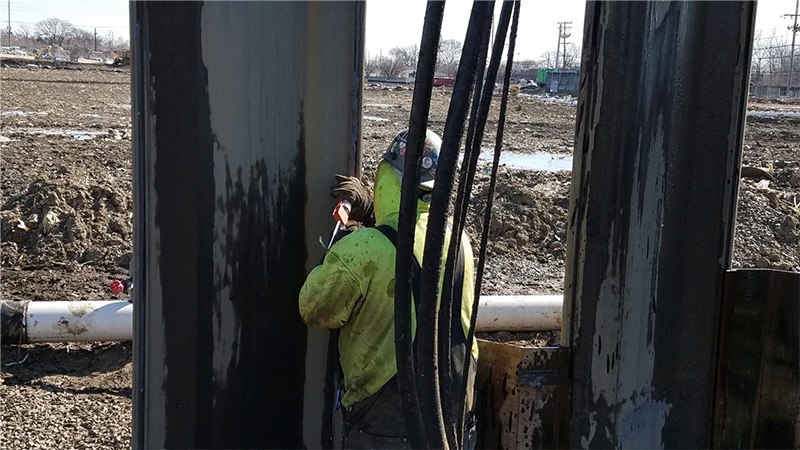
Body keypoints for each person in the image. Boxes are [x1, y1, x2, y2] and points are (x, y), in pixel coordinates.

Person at [299, 130, 478, 450]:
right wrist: (370, 215)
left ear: (388, 180)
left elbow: (315, 307)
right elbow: (411, 242)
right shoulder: (459, 242)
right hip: (453, 426)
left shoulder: (364, 248)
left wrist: (343, 245)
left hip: (385, 432)